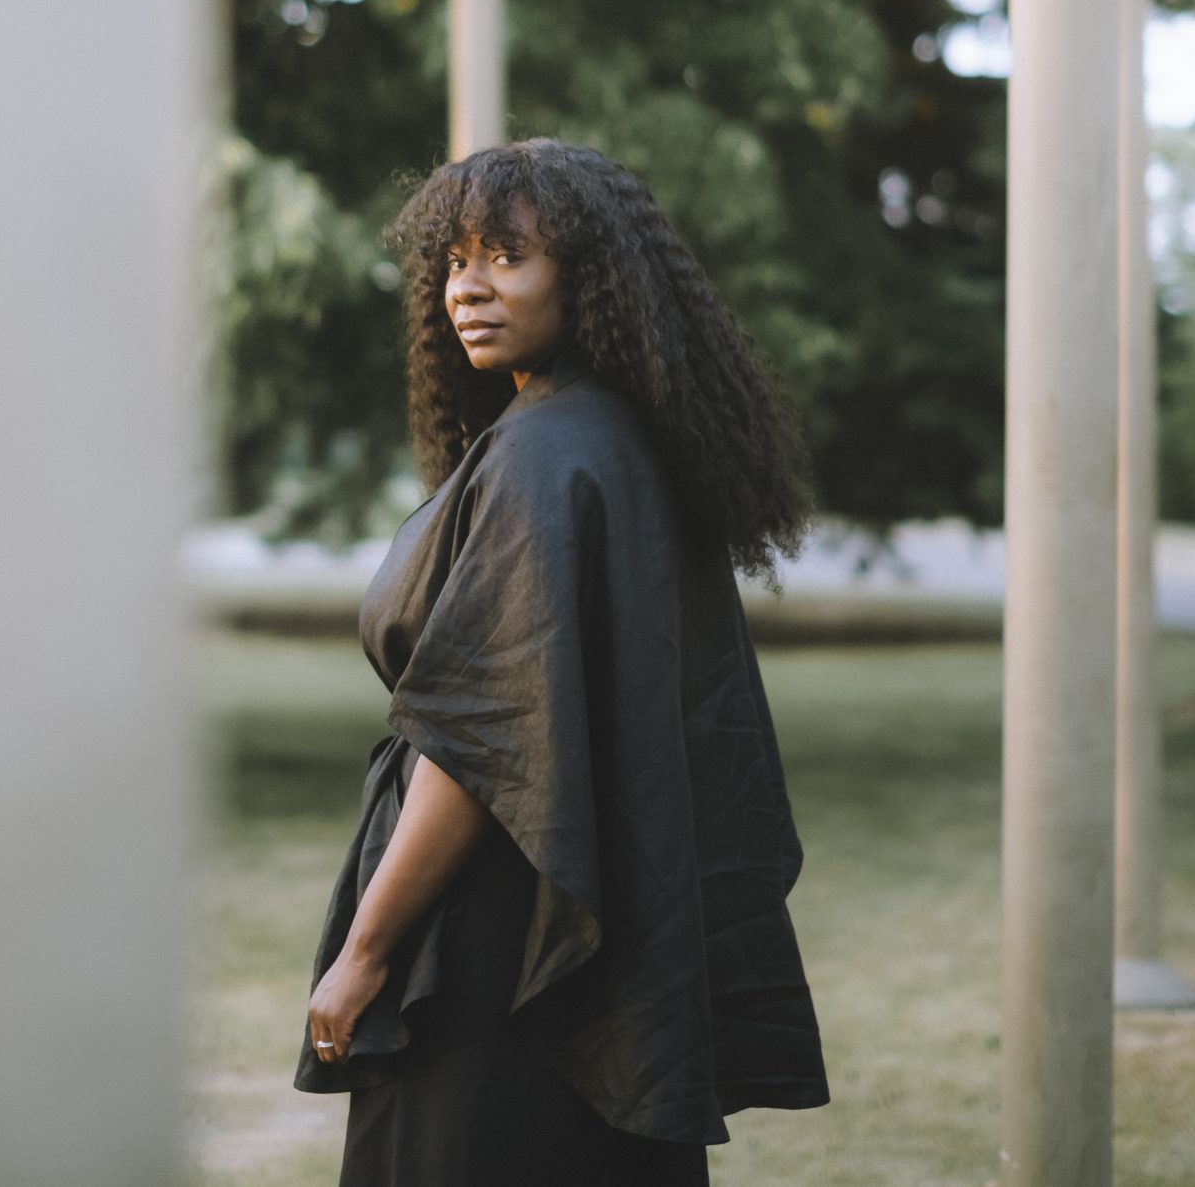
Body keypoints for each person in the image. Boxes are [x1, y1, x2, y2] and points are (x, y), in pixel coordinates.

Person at [293, 138, 830, 1185]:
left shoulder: (546, 455)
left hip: (503, 935)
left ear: (584, 279)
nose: (469, 288)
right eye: (454, 261)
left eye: (507, 257)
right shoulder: (609, 440)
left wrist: (364, 953)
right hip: (599, 910)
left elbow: (477, 745)